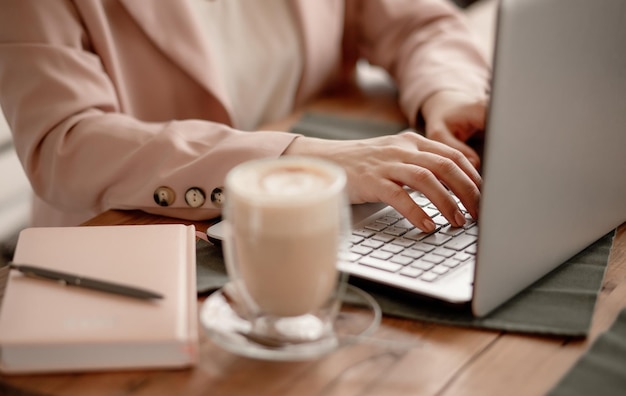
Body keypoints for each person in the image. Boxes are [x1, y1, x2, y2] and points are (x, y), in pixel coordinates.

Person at [0, 0, 490, 233]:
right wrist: (297, 163)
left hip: (327, 216)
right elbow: (67, 141)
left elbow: (419, 24)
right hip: (131, 238)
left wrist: (448, 92)